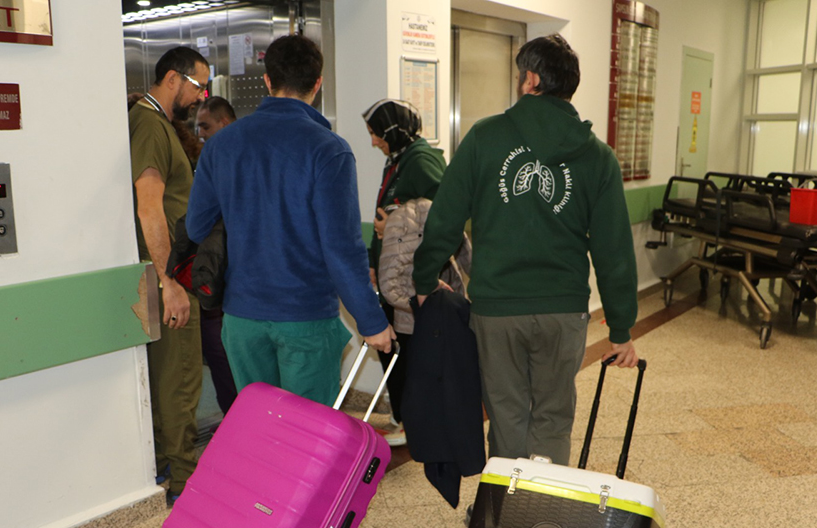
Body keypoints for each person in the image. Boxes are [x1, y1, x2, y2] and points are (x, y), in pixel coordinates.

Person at [413, 34, 639, 467]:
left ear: (530, 79)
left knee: (506, 415)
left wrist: (424, 281)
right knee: (553, 417)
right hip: (564, 310)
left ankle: (505, 518)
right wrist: (622, 329)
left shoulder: (484, 138)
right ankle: (544, 518)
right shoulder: (598, 157)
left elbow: (443, 219)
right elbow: (614, 251)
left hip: (497, 310)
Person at [186, 34, 393, 406]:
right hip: (305, 317)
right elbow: (341, 247)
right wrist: (371, 321)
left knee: (260, 427)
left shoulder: (221, 144)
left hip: (242, 317)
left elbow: (197, 227)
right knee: (307, 436)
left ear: (267, 80)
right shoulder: (329, 150)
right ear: (317, 83)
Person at [129, 46, 210, 504]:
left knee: (170, 379)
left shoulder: (153, 122)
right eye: (198, 85)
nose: (201, 96)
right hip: (169, 277)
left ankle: (169, 467)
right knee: (179, 380)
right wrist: (170, 281)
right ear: (174, 79)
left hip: (171, 272)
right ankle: (184, 482)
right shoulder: (149, 124)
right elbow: (149, 204)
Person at [361, 99, 446, 443]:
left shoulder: (422, 162)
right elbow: (385, 213)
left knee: (408, 354)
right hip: (390, 273)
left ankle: (414, 422)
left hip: (410, 278)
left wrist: (391, 229)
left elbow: (442, 219)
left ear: (395, 131)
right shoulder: (396, 161)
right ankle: (403, 418)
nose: (373, 142)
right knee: (394, 352)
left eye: (377, 134)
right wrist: (371, 260)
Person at [193, 96, 239, 415]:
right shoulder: (258, 153)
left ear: (224, 123)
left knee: (219, 348)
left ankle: (238, 423)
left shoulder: (217, 156)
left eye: (206, 126)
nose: (201, 135)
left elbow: (196, 226)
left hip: (226, 280)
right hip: (246, 284)